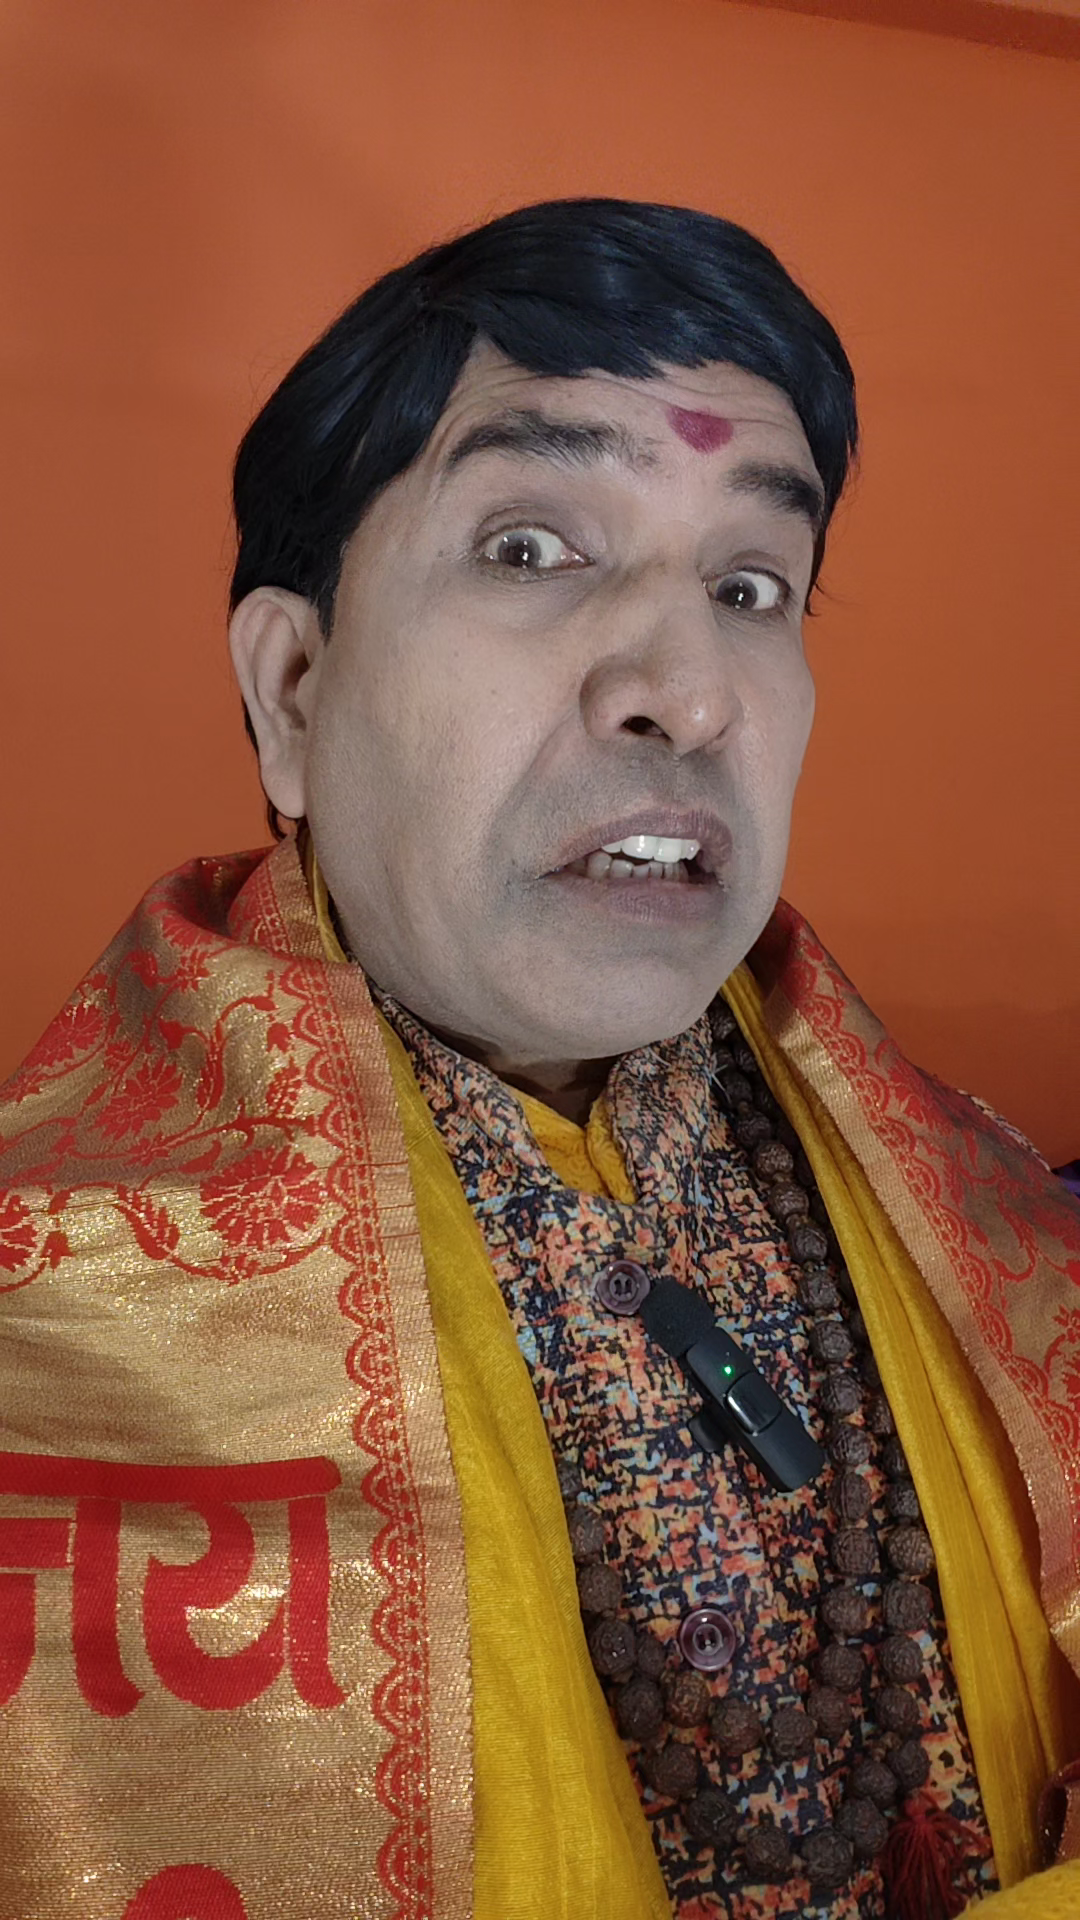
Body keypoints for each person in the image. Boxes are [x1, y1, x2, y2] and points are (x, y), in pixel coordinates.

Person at [0, 198, 1077, 1920]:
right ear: (293, 692)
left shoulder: (1002, 1229)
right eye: (530, 549)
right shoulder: (47, 1332)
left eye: (750, 585)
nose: (688, 688)